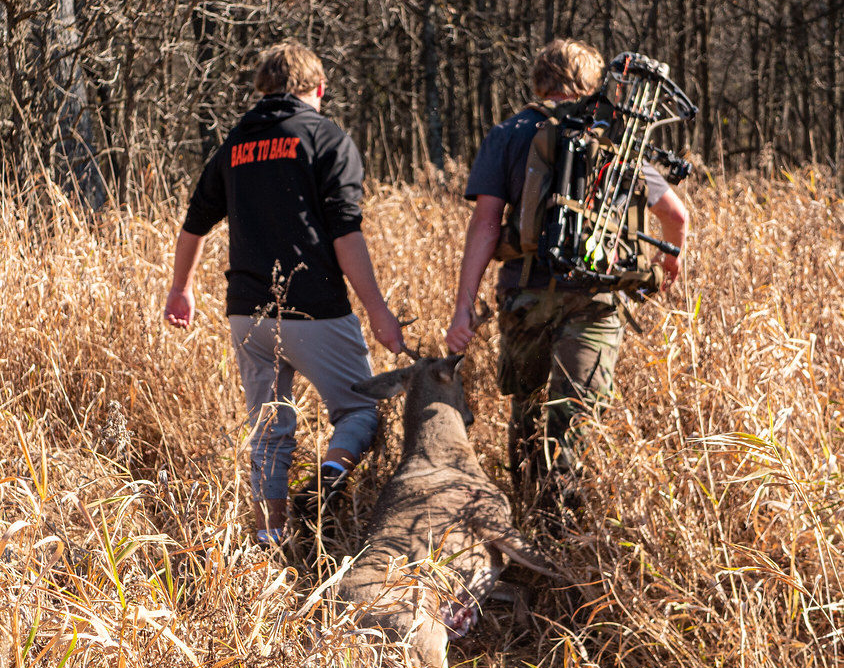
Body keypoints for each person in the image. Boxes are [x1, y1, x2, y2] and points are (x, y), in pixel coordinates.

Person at [164, 40, 404, 547]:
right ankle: (327, 478)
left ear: (264, 90)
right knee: (359, 412)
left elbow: (194, 223)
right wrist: (378, 312)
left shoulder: (235, 144)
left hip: (246, 314)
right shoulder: (325, 137)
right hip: (314, 309)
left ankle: (271, 541)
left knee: (270, 430)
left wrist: (180, 289)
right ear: (316, 89)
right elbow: (345, 233)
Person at [445, 39, 688, 512]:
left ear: (539, 80)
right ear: (594, 83)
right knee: (573, 424)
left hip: (524, 297)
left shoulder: (510, 133)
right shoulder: (616, 135)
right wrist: (668, 263)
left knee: (528, 415)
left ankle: (528, 528)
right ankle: (566, 541)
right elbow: (675, 216)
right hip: (594, 302)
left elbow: (486, 223)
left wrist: (463, 306)